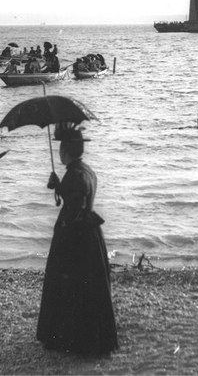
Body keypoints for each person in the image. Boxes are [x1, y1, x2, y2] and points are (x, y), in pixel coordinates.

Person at [36, 124, 118, 355]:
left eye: (62, 148)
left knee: (70, 285)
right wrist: (59, 187)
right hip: (90, 234)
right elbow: (78, 196)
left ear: (67, 151)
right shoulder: (85, 170)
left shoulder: (74, 173)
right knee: (87, 286)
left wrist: (64, 225)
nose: (60, 152)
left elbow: (75, 206)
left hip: (76, 236)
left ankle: (72, 337)